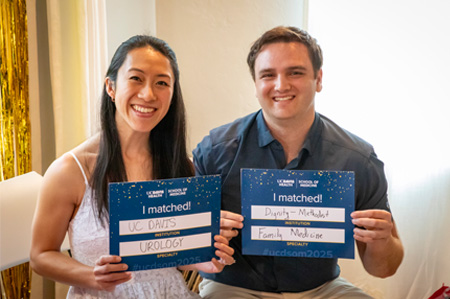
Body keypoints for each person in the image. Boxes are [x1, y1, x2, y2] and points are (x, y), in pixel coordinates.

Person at [193, 26, 404, 298]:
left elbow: (384, 269)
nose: (281, 85)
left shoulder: (358, 159)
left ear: (318, 79)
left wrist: (382, 240)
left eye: (295, 72)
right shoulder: (214, 151)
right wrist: (206, 237)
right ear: (256, 85)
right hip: (234, 287)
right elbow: (193, 253)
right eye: (268, 75)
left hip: (321, 289)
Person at [30, 35, 243, 298]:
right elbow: (40, 256)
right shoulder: (71, 170)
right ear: (110, 86)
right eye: (136, 78)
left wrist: (206, 259)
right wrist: (93, 276)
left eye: (162, 83)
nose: (148, 94)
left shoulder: (182, 167)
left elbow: (171, 254)